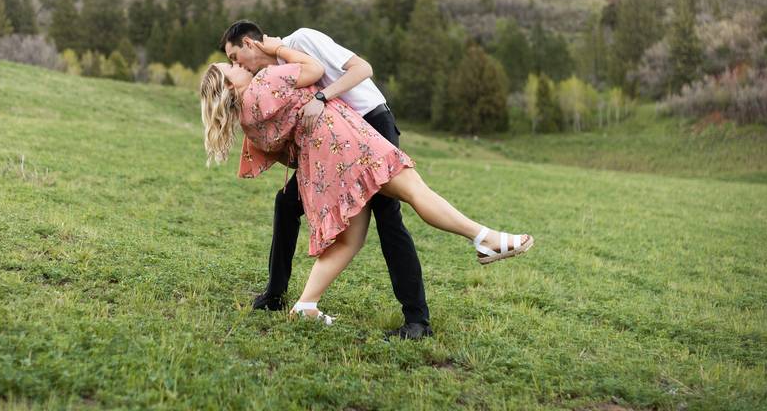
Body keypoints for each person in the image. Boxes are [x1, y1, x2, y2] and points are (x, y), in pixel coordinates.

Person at [200, 37, 534, 327]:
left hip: (322, 162)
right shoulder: (266, 82)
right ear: (229, 85)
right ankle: (484, 237)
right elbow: (314, 69)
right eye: (230, 67)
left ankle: (306, 304)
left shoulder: (247, 122)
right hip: (347, 141)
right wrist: (280, 48)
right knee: (415, 189)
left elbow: (279, 151)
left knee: (350, 241)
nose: (239, 66)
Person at [219, 20, 432, 339]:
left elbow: (363, 69)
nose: (236, 66)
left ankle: (417, 320)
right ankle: (275, 295)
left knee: (388, 218)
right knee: (287, 203)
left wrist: (321, 99)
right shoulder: (271, 75)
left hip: (371, 123)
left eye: (235, 58)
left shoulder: (301, 41)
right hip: (332, 147)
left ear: (250, 45)